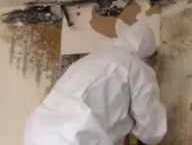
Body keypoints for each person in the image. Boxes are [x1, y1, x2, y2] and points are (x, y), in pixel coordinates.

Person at [24, 22, 167, 145]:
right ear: (146, 51)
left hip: (37, 134)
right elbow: (151, 129)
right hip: (77, 137)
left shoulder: (89, 60)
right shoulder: (135, 66)